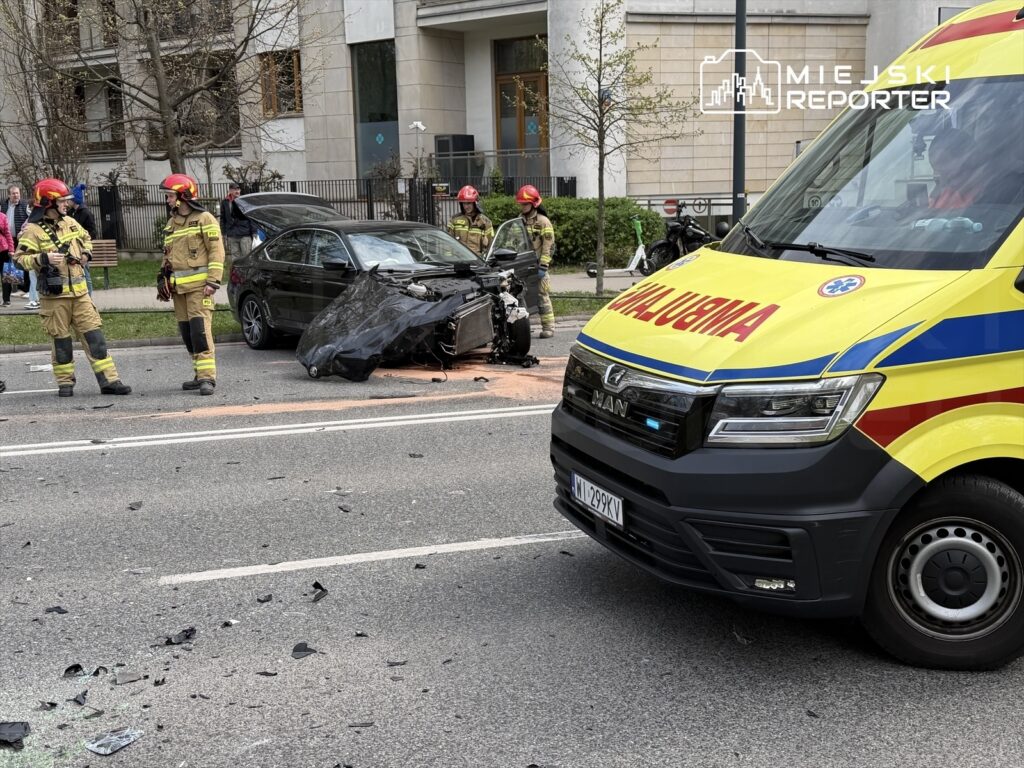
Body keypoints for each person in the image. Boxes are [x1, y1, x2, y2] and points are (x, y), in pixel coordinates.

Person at [14, 178, 131, 397]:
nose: (66, 205)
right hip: (54, 299)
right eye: (63, 201)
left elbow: (86, 237)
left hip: (80, 295)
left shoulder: (70, 222)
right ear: (49, 203)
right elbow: (18, 260)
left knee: (96, 339)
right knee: (62, 343)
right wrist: (43, 258)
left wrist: (87, 253)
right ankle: (65, 383)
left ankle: (110, 381)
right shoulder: (33, 230)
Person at [159, 173, 224, 396]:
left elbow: (216, 251)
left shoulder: (205, 219)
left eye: (169, 195)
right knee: (188, 334)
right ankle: (198, 374)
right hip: (179, 290)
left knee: (200, 332)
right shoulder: (172, 223)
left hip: (200, 288)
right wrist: (163, 278)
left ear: (182, 196)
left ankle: (207, 378)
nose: (167, 200)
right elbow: (167, 255)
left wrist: (213, 281)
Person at [516, 184, 555, 338]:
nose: (522, 206)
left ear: (533, 204)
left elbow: (548, 246)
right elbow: (514, 241)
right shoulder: (519, 221)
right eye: (521, 203)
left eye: (525, 204)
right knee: (522, 295)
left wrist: (543, 266)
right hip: (523, 265)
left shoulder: (543, 222)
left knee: (542, 295)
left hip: (538, 265)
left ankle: (549, 327)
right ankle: (524, 326)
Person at [446, 185, 493, 257]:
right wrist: (449, 259)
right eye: (464, 203)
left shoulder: (486, 222)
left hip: (477, 262)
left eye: (469, 203)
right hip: (459, 260)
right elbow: (448, 242)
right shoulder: (454, 220)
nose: (466, 207)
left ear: (475, 203)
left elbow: (490, 245)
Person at [69, 183, 97, 295]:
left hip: (82, 248)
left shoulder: (86, 213)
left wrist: (84, 243)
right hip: (73, 248)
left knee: (86, 273)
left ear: (74, 200)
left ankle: (89, 296)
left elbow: (92, 232)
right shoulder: (72, 212)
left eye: (69, 199)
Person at [3, 184, 28, 306]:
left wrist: (23, 232)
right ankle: (15, 288)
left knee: (22, 262)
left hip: (21, 239)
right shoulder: (4, 205)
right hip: (7, 240)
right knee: (10, 265)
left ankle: (25, 288)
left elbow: (30, 220)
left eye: (17, 193)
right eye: (13, 193)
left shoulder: (24, 205)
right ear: (9, 195)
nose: (16, 195)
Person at [219, 182, 253, 272]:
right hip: (232, 234)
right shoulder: (225, 202)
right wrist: (224, 232)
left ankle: (247, 274)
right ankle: (237, 276)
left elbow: (251, 217)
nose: (237, 191)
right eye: (234, 189)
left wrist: (254, 231)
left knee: (246, 256)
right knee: (235, 258)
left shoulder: (244, 201)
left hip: (244, 233)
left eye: (238, 189)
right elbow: (222, 218)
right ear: (230, 191)